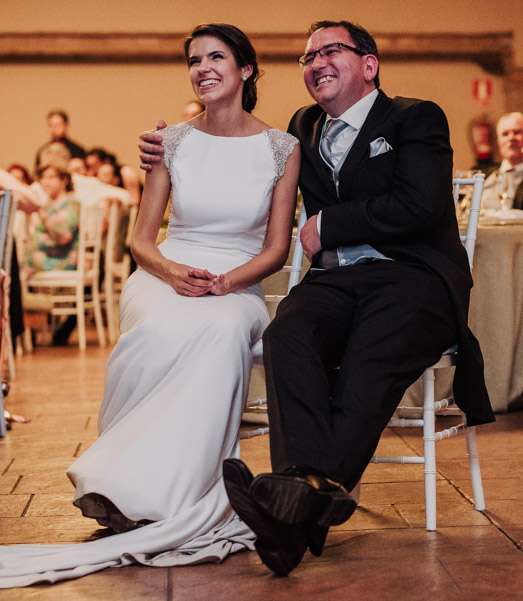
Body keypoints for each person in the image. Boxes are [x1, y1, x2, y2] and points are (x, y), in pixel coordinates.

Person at [140, 20, 493, 577]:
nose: (316, 62)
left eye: (331, 51)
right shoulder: (301, 127)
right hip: (335, 282)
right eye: (308, 57)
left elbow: (421, 205)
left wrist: (330, 223)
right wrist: (172, 147)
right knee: (288, 335)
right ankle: (300, 506)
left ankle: (291, 510)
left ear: (369, 64)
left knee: (368, 360)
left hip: (413, 279)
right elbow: (244, 161)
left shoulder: (414, 117)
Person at [0, 23, 300, 587]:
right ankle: (122, 488)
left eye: (216, 57)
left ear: (246, 70)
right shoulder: (172, 141)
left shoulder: (282, 148)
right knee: (161, 328)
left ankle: (178, 495)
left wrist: (224, 283)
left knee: (218, 332)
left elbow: (276, 248)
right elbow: (141, 240)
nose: (203, 67)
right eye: (194, 60)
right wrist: (173, 271)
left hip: (237, 282)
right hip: (166, 269)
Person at [23, 163, 80, 280]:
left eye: (51, 177)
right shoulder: (49, 204)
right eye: (43, 177)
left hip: (61, 260)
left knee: (16, 262)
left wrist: (42, 214)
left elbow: (63, 236)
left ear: (64, 181)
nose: (45, 182)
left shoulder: (71, 203)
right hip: (45, 256)